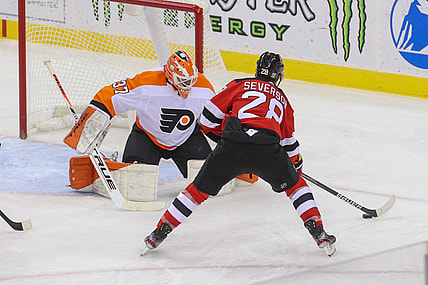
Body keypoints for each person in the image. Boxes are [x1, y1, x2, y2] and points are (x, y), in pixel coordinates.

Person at [142, 51, 337, 256]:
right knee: (296, 187)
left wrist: (226, 135)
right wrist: (295, 166)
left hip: (231, 146)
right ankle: (318, 231)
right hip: (267, 150)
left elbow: (207, 119)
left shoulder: (238, 85)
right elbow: (289, 143)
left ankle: (160, 232)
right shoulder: (284, 101)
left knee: (195, 192)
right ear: (278, 77)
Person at [64, 50, 214, 180]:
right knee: (136, 182)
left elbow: (213, 120)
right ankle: (111, 167)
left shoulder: (204, 88)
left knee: (211, 180)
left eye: (190, 80)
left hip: (186, 138)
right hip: (147, 138)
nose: (187, 85)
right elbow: (109, 95)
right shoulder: (146, 83)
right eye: (182, 80)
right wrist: (86, 129)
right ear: (169, 75)